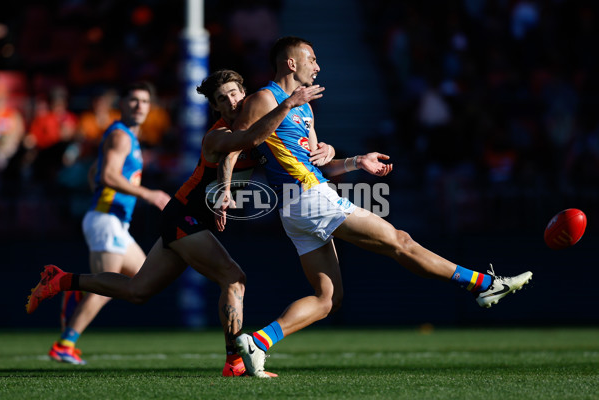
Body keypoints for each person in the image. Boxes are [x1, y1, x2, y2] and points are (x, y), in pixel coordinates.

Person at [219, 36, 533, 378]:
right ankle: (483, 284)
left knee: (328, 299)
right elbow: (236, 146)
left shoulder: (305, 107)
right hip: (308, 198)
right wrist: (224, 190)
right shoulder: (264, 98)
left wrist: (356, 161)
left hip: (300, 206)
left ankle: (258, 343)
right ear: (291, 63)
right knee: (402, 242)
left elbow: (318, 163)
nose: (318, 66)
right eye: (312, 58)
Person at [25, 70, 326, 377]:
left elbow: (292, 149)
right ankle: (234, 362)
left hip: (186, 219)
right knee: (234, 278)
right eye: (222, 99)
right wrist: (287, 104)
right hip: (184, 216)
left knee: (137, 291)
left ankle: (61, 280)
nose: (231, 101)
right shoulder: (218, 135)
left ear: (245, 94)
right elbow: (247, 140)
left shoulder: (259, 124)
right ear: (217, 108)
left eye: (235, 93)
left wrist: (326, 151)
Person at [45, 81, 171, 365]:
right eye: (133, 100)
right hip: (106, 220)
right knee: (108, 287)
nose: (139, 106)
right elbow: (108, 176)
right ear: (122, 104)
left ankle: (77, 293)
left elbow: (95, 171)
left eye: (145, 101)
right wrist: (148, 194)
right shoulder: (121, 136)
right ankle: (65, 343)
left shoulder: (127, 138)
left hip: (113, 221)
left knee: (141, 283)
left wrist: (104, 190)